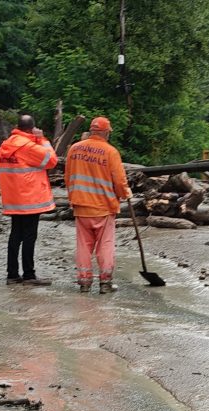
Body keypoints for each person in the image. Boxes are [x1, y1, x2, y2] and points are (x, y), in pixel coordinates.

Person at [64, 117, 131, 294]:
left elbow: (68, 177)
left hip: (81, 205)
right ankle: (105, 282)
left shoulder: (74, 149)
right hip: (103, 207)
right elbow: (119, 180)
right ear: (106, 133)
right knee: (105, 245)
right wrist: (125, 194)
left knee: (83, 246)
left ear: (91, 131)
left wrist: (72, 198)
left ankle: (84, 282)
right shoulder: (110, 151)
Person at [0, 115, 57, 285]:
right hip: (30, 200)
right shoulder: (28, 147)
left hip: (13, 199)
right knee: (29, 236)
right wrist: (42, 139)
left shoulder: (5, 145)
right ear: (31, 129)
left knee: (15, 235)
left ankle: (12, 274)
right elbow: (51, 160)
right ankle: (29, 275)